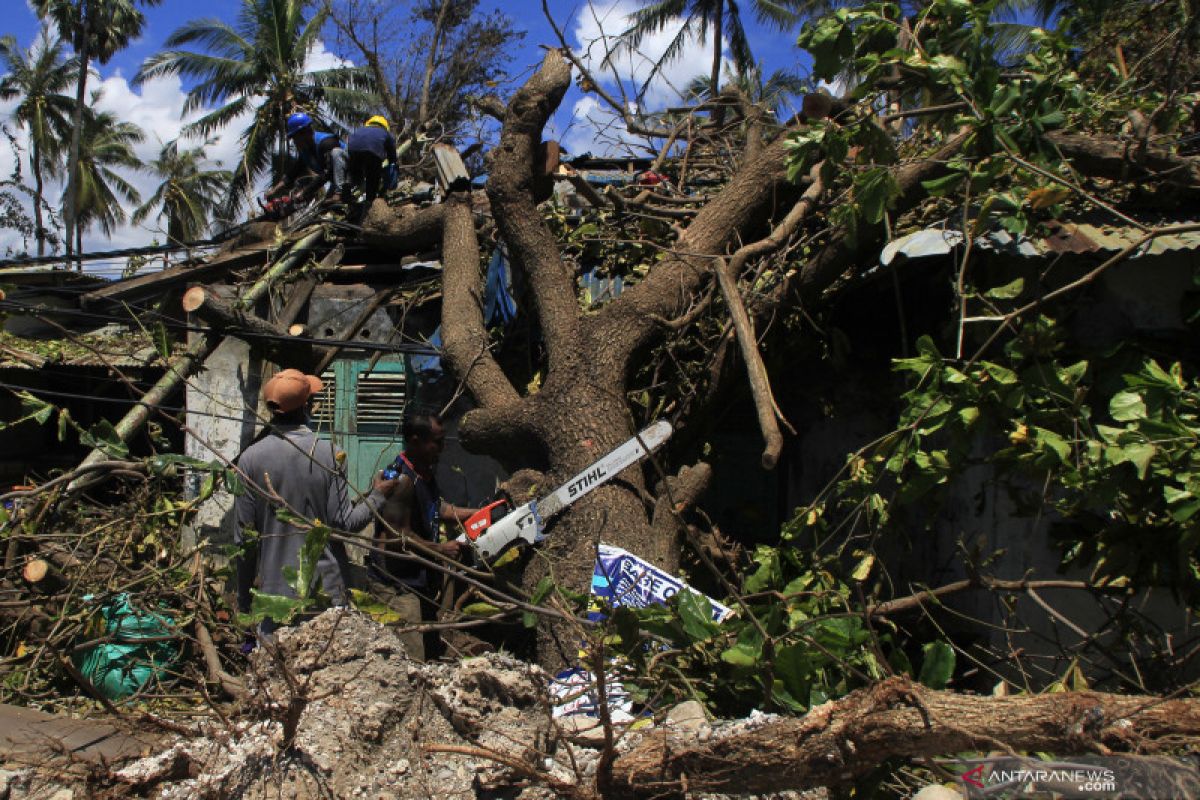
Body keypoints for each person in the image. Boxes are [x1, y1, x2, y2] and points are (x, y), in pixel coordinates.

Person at [234, 368, 396, 635]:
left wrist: (244, 602)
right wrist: (377, 495)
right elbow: (343, 523)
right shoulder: (330, 454)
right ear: (308, 406)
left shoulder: (250, 458)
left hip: (275, 599)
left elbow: (245, 541)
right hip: (325, 594)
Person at [368, 412, 478, 660]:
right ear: (416, 441)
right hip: (397, 585)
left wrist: (480, 514)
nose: (442, 448)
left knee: (431, 654)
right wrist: (441, 549)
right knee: (410, 660)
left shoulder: (423, 473)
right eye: (437, 442)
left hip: (418, 582)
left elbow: (437, 508)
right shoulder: (401, 481)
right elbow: (397, 538)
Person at [264, 112, 349, 205]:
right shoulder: (306, 152)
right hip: (340, 181)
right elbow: (293, 173)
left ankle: (340, 195)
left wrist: (305, 192)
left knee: (336, 153)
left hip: (353, 172)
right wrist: (274, 190)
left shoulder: (327, 143)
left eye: (295, 137)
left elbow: (327, 173)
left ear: (306, 132)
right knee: (326, 208)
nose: (295, 142)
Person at [346, 115, 399, 215]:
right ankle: (370, 203)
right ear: (384, 126)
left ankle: (347, 196)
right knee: (373, 178)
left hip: (353, 152)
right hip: (372, 154)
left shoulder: (360, 129)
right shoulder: (386, 134)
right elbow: (392, 156)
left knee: (355, 177)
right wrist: (391, 163)